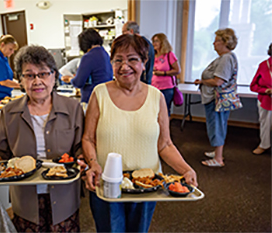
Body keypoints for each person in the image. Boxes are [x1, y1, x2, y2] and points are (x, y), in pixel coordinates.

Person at [82, 34, 197, 232]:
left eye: (132, 59)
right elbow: (88, 138)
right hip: (108, 183)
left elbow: (165, 144)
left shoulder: (156, 97)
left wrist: (185, 169)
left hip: (147, 185)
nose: (124, 66)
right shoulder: (99, 93)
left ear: (144, 63)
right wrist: (93, 163)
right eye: (118, 60)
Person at [0, 45, 84, 232]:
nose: (37, 81)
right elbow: (1, 151)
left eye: (43, 73)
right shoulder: (9, 112)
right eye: (29, 75)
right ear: (20, 79)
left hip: (64, 196)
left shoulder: (72, 108)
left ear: (54, 76)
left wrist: (83, 160)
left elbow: (79, 148)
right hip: (26, 199)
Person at [194, 28, 241, 167]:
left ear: (225, 42)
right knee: (218, 124)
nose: (213, 44)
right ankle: (217, 152)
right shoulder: (226, 57)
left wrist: (202, 82)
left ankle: (218, 159)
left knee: (216, 125)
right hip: (218, 99)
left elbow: (218, 81)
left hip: (217, 99)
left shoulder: (226, 58)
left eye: (216, 41)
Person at [65, 28, 113, 103]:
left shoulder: (88, 57)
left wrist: (70, 79)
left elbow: (78, 83)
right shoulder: (105, 54)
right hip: (106, 98)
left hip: (92, 100)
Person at [151, 33, 181, 116]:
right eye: (153, 41)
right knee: (154, 111)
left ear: (162, 42)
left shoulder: (169, 55)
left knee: (164, 111)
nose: (154, 43)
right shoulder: (153, 55)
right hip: (153, 87)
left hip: (166, 88)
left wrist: (163, 73)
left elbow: (177, 70)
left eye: (156, 41)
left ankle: (165, 128)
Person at [250, 43, 272, 155]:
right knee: (265, 123)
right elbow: (253, 86)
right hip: (266, 100)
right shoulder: (264, 65)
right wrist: (266, 90)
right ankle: (264, 145)